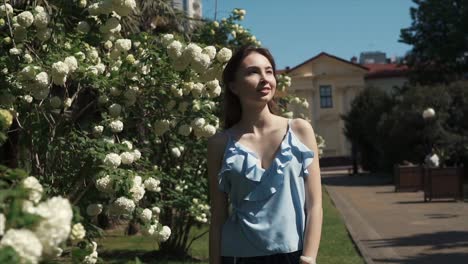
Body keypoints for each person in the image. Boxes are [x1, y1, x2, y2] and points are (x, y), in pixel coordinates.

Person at [207, 45, 323, 264]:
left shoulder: (300, 130)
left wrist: (309, 257)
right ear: (233, 86)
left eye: (269, 71)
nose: (264, 78)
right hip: (237, 256)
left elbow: (315, 205)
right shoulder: (219, 144)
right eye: (253, 72)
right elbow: (218, 217)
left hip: (294, 256)